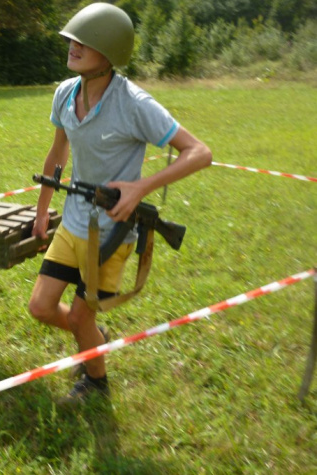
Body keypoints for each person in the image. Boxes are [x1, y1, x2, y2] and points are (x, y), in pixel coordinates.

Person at [28, 3, 212, 405]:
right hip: (73, 221)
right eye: (72, 39)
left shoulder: (134, 103)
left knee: (80, 317)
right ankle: (93, 339)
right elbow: (57, 154)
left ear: (108, 51)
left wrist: (140, 188)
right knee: (41, 307)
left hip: (110, 231)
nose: (72, 46)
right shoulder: (64, 93)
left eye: (83, 41)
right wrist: (42, 210)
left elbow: (199, 152)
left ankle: (96, 381)